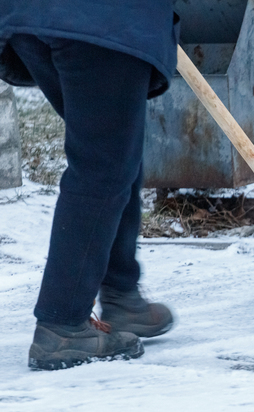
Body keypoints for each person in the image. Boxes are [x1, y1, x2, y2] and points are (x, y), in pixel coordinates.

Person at [0, 0, 180, 370]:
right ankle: (62, 325)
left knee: (115, 150)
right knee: (102, 165)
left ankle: (121, 294)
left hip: (31, 17)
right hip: (104, 18)